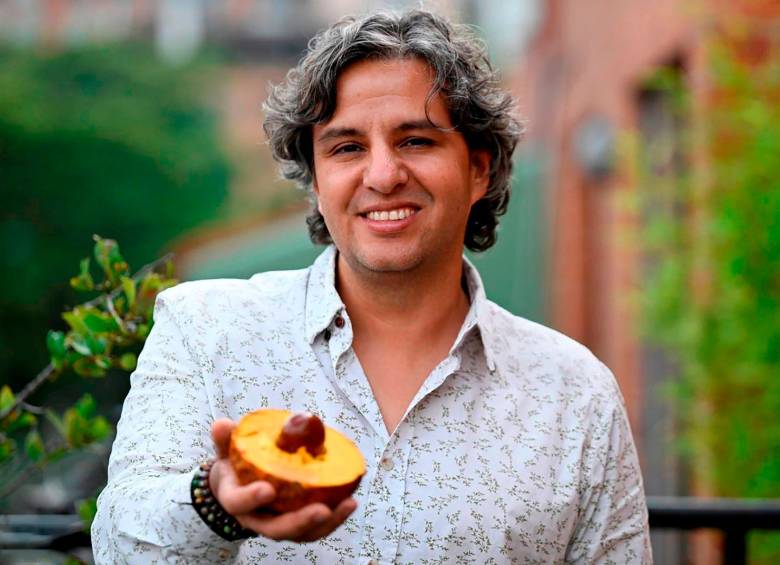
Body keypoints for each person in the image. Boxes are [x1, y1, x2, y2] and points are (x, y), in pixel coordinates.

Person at [92, 9, 652, 564]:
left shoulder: (576, 395)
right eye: (347, 148)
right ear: (315, 180)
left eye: (415, 142)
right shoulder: (204, 331)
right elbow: (119, 545)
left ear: (479, 170)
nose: (382, 176)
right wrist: (214, 504)